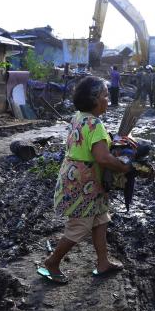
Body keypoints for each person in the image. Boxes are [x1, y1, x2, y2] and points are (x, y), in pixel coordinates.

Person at [38, 76, 132, 284]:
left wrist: (112, 140)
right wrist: (125, 166)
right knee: (79, 226)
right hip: (85, 183)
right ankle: (52, 262)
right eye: (106, 96)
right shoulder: (95, 124)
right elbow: (102, 158)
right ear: (96, 99)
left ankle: (103, 262)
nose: (108, 100)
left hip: (81, 178)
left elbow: (91, 145)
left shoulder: (79, 117)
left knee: (100, 219)